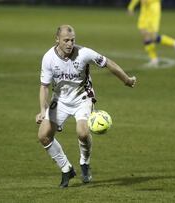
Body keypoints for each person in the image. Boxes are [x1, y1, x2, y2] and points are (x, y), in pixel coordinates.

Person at [36, 25, 137, 188]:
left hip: (83, 98)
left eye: (72, 40)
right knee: (43, 136)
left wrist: (126, 80)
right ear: (57, 40)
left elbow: (108, 62)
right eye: (66, 40)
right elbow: (44, 86)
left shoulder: (84, 53)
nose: (70, 44)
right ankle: (66, 168)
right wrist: (42, 110)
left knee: (82, 133)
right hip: (60, 100)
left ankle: (84, 162)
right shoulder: (48, 58)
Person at [127, 0, 175, 67]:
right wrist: (131, 7)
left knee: (152, 36)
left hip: (153, 7)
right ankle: (154, 60)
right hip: (144, 9)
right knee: (144, 33)